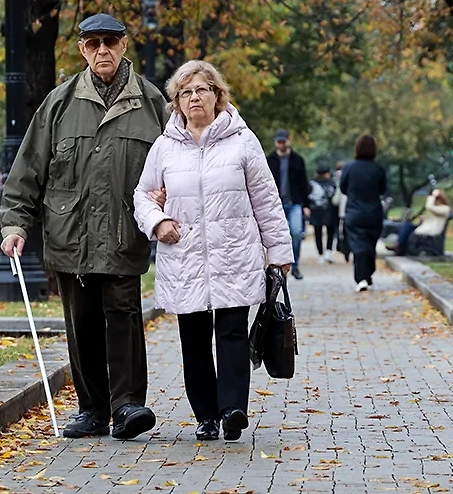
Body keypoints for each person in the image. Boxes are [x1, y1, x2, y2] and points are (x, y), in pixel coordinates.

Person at [0, 13, 168, 440]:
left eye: (110, 41)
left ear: (124, 45)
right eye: (94, 43)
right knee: (83, 323)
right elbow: (28, 169)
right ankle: (92, 409)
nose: (102, 50)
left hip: (124, 231)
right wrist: (15, 224)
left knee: (123, 316)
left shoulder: (151, 103)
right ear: (82, 50)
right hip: (70, 234)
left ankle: (127, 405)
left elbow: (177, 163)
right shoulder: (59, 103)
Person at [133, 60, 293, 442]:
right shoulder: (164, 147)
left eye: (201, 90)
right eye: (185, 92)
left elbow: (266, 200)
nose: (194, 98)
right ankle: (206, 415)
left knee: (233, 333)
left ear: (217, 95)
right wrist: (158, 221)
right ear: (176, 101)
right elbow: (142, 195)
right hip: (185, 258)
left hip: (234, 255)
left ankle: (233, 410)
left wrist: (279, 252)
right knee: (194, 341)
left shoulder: (243, 141)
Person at [339, 135, 388, 291]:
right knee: (370, 245)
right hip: (374, 212)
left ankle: (361, 278)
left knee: (358, 245)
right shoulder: (378, 169)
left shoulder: (348, 168)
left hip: (354, 212)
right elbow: (382, 190)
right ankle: (368, 274)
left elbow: (343, 188)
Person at [266, 129, 309, 280]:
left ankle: (295, 266)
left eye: (283, 141)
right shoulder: (269, 160)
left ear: (288, 141)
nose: (281, 144)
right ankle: (278, 267)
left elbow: (304, 183)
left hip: (294, 202)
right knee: (276, 237)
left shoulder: (298, 160)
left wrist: (306, 205)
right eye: (279, 142)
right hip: (275, 204)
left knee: (296, 233)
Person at [393, 189, 452, 255]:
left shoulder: (445, 208)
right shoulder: (436, 208)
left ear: (441, 199)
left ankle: (399, 248)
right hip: (425, 227)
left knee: (409, 230)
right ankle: (398, 245)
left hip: (431, 230)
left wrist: (432, 196)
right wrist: (424, 220)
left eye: (436, 199)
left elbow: (428, 207)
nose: (434, 200)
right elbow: (433, 218)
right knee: (407, 226)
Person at [307, 165, 339, 263]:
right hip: (329, 211)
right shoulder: (331, 183)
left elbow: (308, 196)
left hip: (316, 211)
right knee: (330, 232)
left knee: (318, 233)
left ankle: (321, 254)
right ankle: (328, 252)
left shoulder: (312, 183)